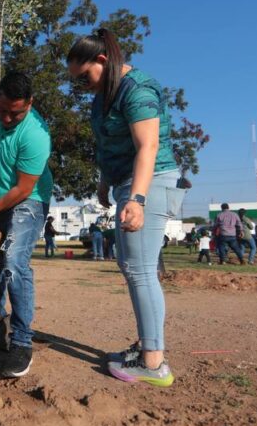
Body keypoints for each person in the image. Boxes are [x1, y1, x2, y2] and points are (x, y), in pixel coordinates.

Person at [68, 29, 186, 387]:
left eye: (85, 76)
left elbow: (147, 146)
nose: (82, 85)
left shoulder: (137, 89)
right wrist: (105, 181)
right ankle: (146, 346)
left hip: (150, 183)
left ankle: (153, 363)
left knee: (140, 271)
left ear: (102, 61)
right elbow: (107, 144)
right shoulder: (102, 97)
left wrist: (136, 198)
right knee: (131, 266)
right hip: (124, 183)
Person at [0, 72, 53, 378]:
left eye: (14, 113)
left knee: (14, 263)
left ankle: (20, 341)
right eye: (2, 109)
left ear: (29, 104)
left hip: (28, 201)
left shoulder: (36, 135)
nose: (5, 118)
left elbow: (23, 188)